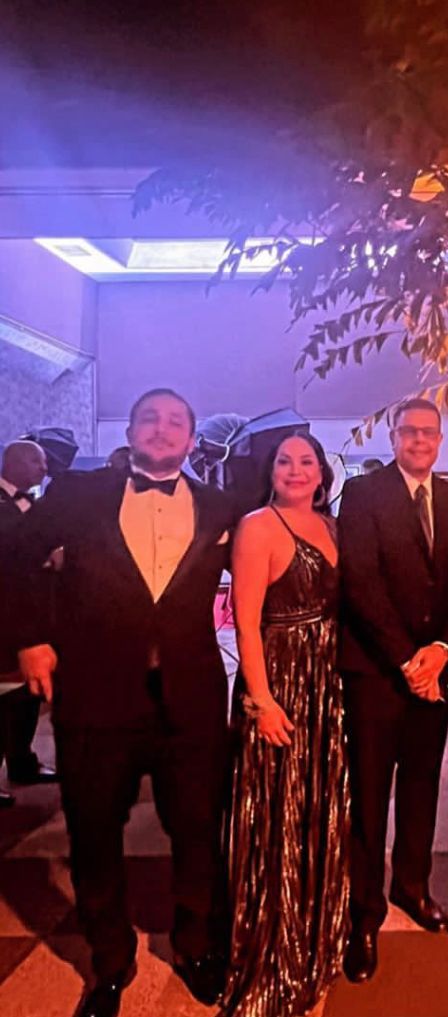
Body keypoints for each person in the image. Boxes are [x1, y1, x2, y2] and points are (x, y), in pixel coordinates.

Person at [14, 388, 239, 1017]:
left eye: (175, 422)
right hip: (96, 696)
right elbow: (13, 557)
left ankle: (196, 945)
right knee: (93, 832)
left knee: (198, 828)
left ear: (192, 439)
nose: (162, 429)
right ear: (132, 432)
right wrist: (30, 638)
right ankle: (110, 963)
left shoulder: (222, 505)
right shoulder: (79, 493)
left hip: (191, 699)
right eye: (150, 419)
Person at [337, 398, 448, 983]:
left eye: (428, 432)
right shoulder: (362, 494)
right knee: (369, 794)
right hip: (376, 671)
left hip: (432, 671)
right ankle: (364, 912)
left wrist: (441, 650)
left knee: (422, 783)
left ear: (440, 441)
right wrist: (405, 659)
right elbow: (361, 582)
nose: (419, 440)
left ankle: (412, 885)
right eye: (409, 431)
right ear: (394, 437)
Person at [222, 431, 349, 1017]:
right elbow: (245, 623)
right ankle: (277, 947)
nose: (295, 470)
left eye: (306, 461)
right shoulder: (257, 526)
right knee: (279, 813)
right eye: (284, 461)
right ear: (270, 471)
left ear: (322, 473)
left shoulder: (333, 525)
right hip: (281, 681)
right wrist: (262, 700)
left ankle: (317, 932)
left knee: (317, 806)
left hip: (327, 681)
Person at [0, 440, 55, 805]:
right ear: (14, 461)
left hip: (33, 612)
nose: (44, 468)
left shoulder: (34, 504)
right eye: (37, 460)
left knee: (28, 692)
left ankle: (23, 761)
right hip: (3, 610)